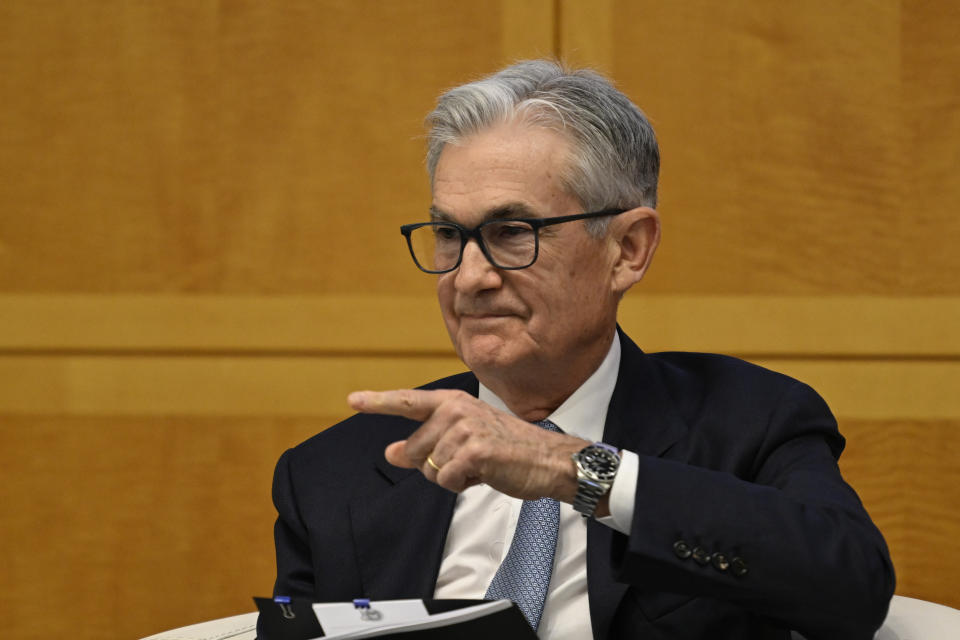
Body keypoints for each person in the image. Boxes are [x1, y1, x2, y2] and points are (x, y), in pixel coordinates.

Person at [266, 60, 894, 639]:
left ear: (628, 249)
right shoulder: (332, 474)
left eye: (513, 232)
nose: (468, 277)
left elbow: (852, 589)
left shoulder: (749, 423)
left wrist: (577, 470)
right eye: (449, 235)